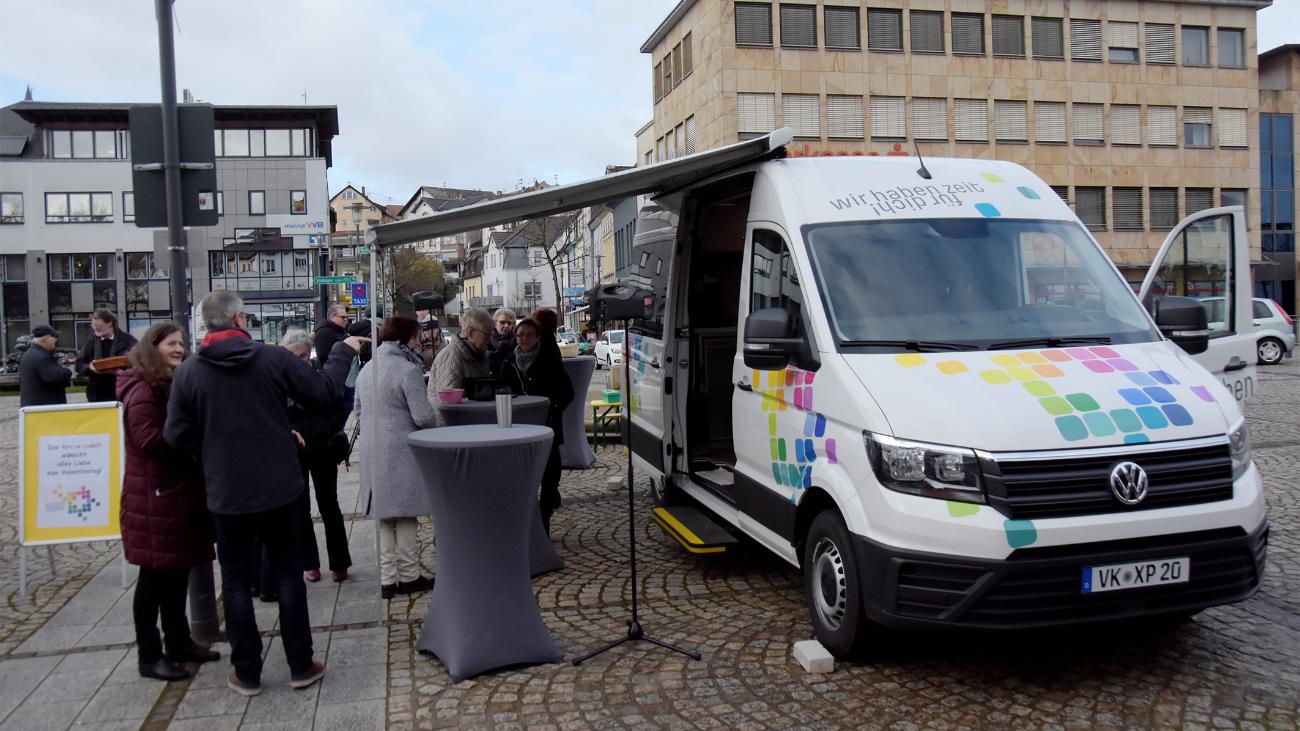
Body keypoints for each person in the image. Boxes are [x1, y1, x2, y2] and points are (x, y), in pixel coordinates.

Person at [164, 291, 365, 698]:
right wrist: (342, 351)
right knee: (288, 575)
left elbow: (177, 436)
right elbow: (324, 391)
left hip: (226, 492)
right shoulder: (272, 359)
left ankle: (248, 671)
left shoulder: (189, 373)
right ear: (240, 319)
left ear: (207, 325)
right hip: (278, 487)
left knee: (236, 582)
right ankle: (300, 663)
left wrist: (214, 445)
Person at [118, 322, 220, 682]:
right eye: (171, 344)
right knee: (153, 580)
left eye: (181, 343)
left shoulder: (167, 383)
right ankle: (150, 655)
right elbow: (149, 440)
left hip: (175, 493)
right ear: (153, 347)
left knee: (177, 574)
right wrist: (192, 437)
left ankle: (179, 641)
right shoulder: (143, 389)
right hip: (155, 497)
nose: (179, 349)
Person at [356, 316, 438, 599]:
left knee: (384, 516)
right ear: (405, 339)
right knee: (404, 514)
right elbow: (423, 416)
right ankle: (409, 574)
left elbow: (358, 412)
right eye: (416, 337)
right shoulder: (407, 370)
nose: (419, 342)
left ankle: (388, 579)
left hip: (372, 449)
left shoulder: (367, 369)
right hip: (401, 450)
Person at [281, 329, 352, 584]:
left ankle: (339, 563)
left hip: (322, 445)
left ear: (307, 355)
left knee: (329, 505)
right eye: (292, 356)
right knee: (300, 508)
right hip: (294, 449)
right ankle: (310, 562)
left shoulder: (319, 375)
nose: (297, 361)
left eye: (301, 356)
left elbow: (336, 405)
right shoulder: (280, 379)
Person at [499, 316, 574, 534]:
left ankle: (546, 510)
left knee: (549, 472)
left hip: (546, 425)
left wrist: (553, 407)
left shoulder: (549, 359)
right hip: (519, 427)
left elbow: (567, 392)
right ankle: (527, 518)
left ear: (538, 337)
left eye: (529, 335)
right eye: (520, 335)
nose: (524, 339)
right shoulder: (509, 361)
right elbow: (501, 388)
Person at [427, 307, 493, 407]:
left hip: (474, 419)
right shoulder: (451, 355)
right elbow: (447, 403)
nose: (490, 339)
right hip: (456, 421)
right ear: (471, 333)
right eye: (487, 334)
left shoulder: (480, 354)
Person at [75, 309, 138, 402]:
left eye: (98, 326)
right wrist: (89, 367)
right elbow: (79, 364)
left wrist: (120, 368)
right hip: (97, 393)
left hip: (121, 391)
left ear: (109, 323)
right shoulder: (91, 341)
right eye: (93, 326)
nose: (95, 329)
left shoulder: (128, 340)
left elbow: (140, 361)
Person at [19, 325, 71, 407]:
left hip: (32, 406)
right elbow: (55, 377)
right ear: (45, 339)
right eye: (53, 337)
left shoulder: (28, 354)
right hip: (44, 408)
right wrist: (67, 371)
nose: (56, 340)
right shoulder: (42, 358)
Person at [487, 307, 517, 376]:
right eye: (502, 322)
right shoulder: (485, 341)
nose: (506, 326)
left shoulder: (517, 342)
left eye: (509, 323)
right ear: (495, 323)